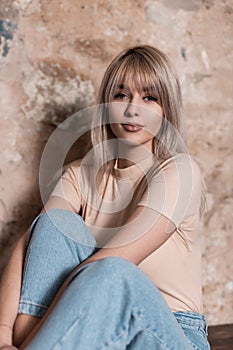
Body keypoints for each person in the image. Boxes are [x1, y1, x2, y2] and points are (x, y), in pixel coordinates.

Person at [0, 45, 210, 349]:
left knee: (114, 273)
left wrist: (35, 338)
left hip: (170, 332)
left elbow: (115, 260)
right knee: (52, 224)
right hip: (91, 331)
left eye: (149, 97)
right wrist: (4, 336)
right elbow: (32, 242)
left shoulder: (180, 172)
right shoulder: (80, 174)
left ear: (167, 110)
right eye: (121, 95)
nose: (132, 109)